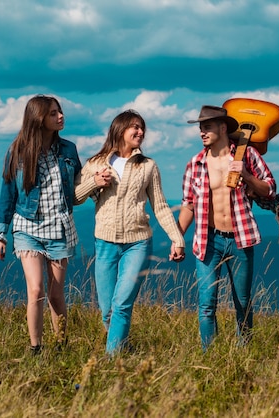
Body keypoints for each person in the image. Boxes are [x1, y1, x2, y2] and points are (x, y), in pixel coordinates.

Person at [74, 109, 185, 355]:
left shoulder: (148, 166)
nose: (140, 132)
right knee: (107, 310)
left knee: (122, 304)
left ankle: (112, 361)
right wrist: (95, 183)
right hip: (104, 243)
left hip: (138, 243)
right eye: (135, 127)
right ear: (119, 130)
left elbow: (160, 205)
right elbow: (74, 197)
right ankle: (123, 348)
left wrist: (177, 239)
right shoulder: (96, 163)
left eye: (142, 128)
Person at [178, 105, 276, 351]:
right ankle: (208, 357)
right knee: (206, 304)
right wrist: (176, 237)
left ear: (223, 127)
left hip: (240, 238)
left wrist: (246, 175)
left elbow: (270, 189)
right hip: (208, 238)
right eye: (200, 128)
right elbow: (188, 204)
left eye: (207, 127)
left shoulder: (247, 155)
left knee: (242, 301)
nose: (202, 132)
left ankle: (245, 352)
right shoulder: (195, 163)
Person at [0, 95, 81, 355]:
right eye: (53, 113)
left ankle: (62, 346)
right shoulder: (17, 151)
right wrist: (0, 235)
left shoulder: (69, 150)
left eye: (60, 111)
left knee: (55, 294)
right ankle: (35, 348)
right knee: (36, 289)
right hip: (27, 226)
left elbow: (78, 187)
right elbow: (8, 194)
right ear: (38, 118)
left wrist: (97, 182)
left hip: (60, 228)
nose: (60, 116)